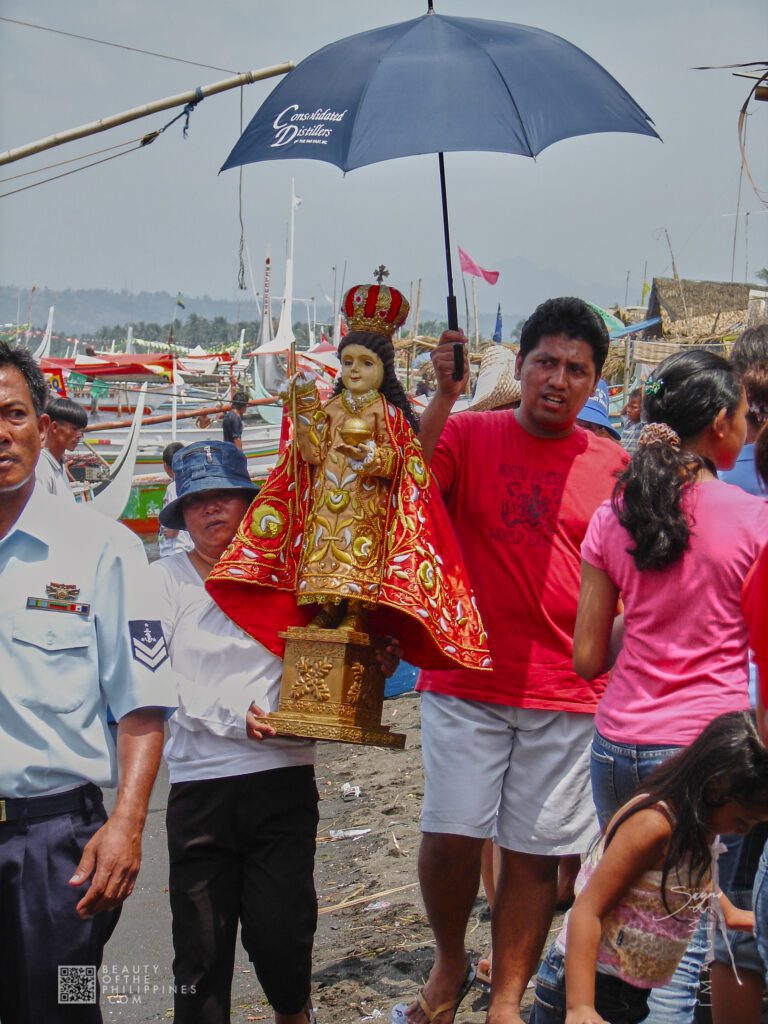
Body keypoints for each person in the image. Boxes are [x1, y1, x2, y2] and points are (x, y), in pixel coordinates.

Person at [400, 297, 629, 1024]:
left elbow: (636, 573)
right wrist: (443, 396)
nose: (558, 380)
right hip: (464, 676)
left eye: (576, 370)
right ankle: (449, 960)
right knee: (452, 832)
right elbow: (407, 489)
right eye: (545, 363)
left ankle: (507, 999)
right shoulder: (467, 433)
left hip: (567, 688)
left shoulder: (614, 465)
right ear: (521, 366)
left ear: (594, 382)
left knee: (533, 851)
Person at [151, 439, 401, 1024]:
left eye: (225, 496)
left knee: (283, 932)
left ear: (252, 504)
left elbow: (334, 654)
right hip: (201, 782)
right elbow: (152, 680)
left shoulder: (293, 575)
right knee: (200, 948)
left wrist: (373, 661)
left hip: (282, 773)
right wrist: (229, 713)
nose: (212, 509)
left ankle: (295, 1012)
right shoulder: (162, 580)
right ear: (183, 514)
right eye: (198, 501)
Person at [574, 348, 768, 1023]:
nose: (749, 426)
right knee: (676, 953)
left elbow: (587, 658)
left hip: (617, 746)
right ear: (719, 423)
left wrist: (648, 613)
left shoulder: (614, 514)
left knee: (624, 933)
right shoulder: (751, 518)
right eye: (746, 413)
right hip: (703, 754)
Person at [0, 341, 176, 1023]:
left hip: (53, 847)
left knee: (61, 1009)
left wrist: (128, 822)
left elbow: (142, 706)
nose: (1, 432)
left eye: (14, 414)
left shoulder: (105, 550)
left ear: (42, 428)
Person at [208, 283, 488, 673]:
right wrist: (304, 409)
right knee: (323, 551)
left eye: (365, 363)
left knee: (360, 558)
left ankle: (356, 611)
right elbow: (310, 453)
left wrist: (374, 458)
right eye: (348, 362)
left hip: (367, 507)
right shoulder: (332, 409)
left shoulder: (388, 414)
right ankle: (326, 609)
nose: (355, 370)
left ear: (384, 370)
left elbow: (404, 462)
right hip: (327, 505)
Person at [529, 711, 768, 1024]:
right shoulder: (654, 825)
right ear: (716, 789)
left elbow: (695, 883)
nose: (744, 831)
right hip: (586, 986)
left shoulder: (700, 826)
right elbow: (588, 910)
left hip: (628, 994)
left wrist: (738, 916)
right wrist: (580, 1007)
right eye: (743, 821)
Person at [35, 395, 88, 500]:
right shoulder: (41, 468)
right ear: (54, 427)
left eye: (80, 430)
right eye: (74, 429)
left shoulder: (58, 464)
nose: (79, 435)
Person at [157, 440, 193, 557]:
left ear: (166, 466)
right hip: (187, 546)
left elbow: (177, 506)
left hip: (175, 548)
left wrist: (174, 529)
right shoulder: (190, 484)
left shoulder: (173, 487)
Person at [620, 387, 643, 454]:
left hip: (634, 459)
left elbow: (644, 407)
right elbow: (622, 413)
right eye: (628, 406)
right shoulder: (628, 422)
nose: (628, 410)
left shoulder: (642, 425)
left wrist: (643, 388)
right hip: (623, 457)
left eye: (634, 407)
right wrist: (630, 402)